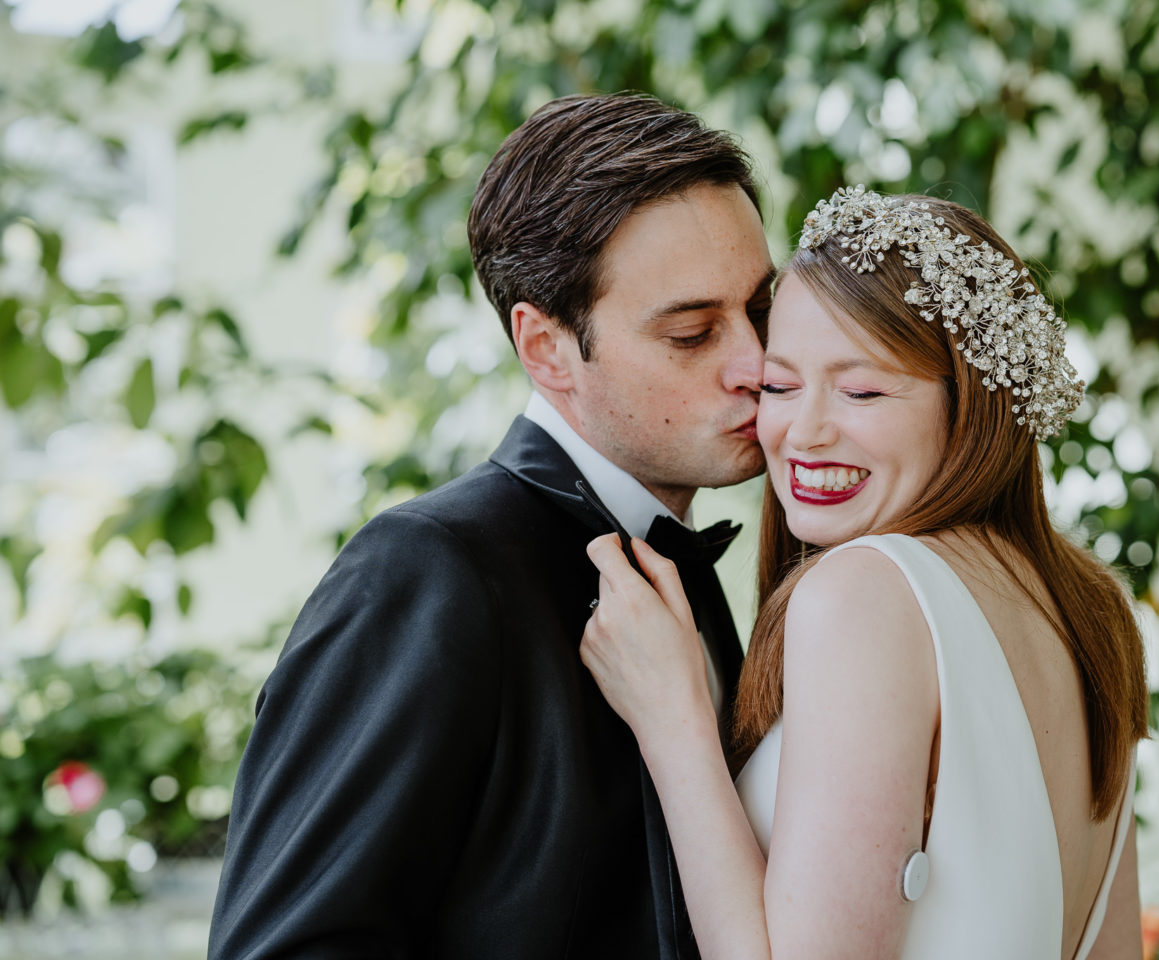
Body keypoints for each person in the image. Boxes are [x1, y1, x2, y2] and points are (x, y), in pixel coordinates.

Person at [208, 93, 775, 959]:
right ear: (546, 349)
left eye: (761, 311)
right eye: (694, 333)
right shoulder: (425, 573)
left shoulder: (681, 564)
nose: (758, 366)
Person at [581, 186, 1150, 959]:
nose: (803, 432)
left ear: (971, 405)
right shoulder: (1087, 608)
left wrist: (672, 720)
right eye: (780, 387)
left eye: (862, 390)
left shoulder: (866, 594)